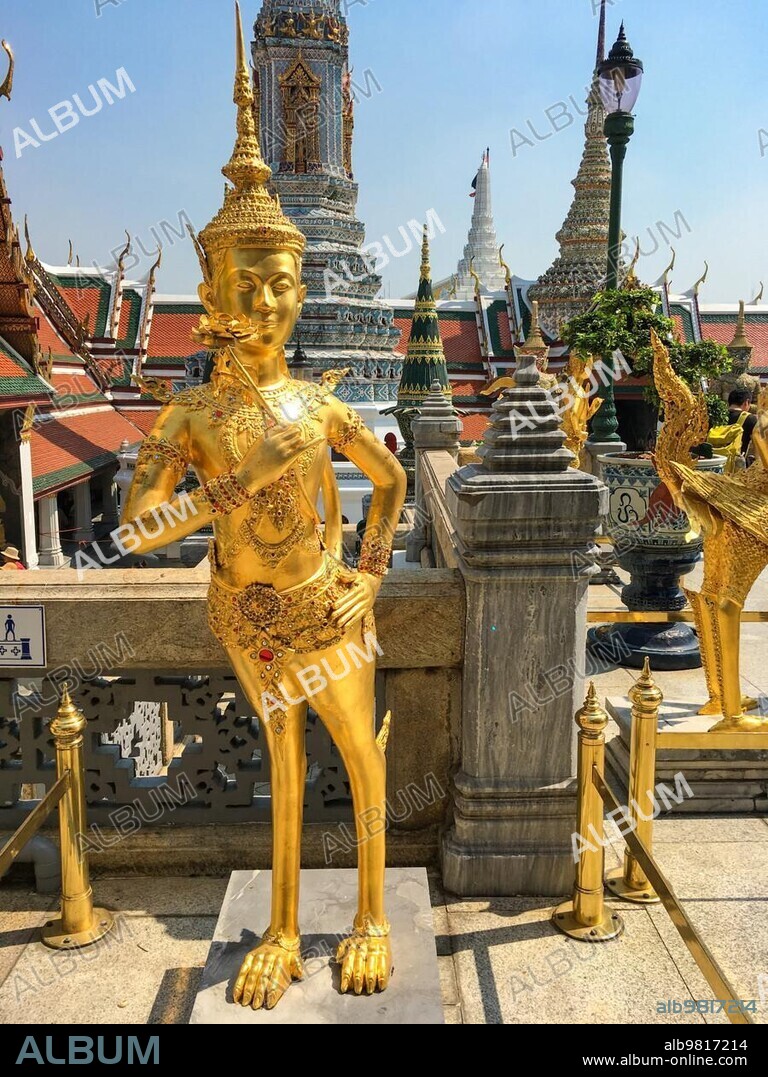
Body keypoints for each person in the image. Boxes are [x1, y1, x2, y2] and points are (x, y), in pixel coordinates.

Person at [120, 5, 406, 1011]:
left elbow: (398, 484)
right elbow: (137, 526)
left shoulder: (324, 405)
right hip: (243, 612)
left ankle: (370, 915)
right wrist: (221, 494)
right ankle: (282, 929)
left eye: (284, 281)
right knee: (281, 767)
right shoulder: (190, 414)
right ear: (213, 283)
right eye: (254, 279)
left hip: (328, 608)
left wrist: (367, 585)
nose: (275, 298)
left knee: (363, 762)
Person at [727, 388, 757, 455]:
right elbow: (758, 446)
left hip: (713, 461)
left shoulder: (717, 416)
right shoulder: (750, 419)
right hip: (737, 463)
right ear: (746, 402)